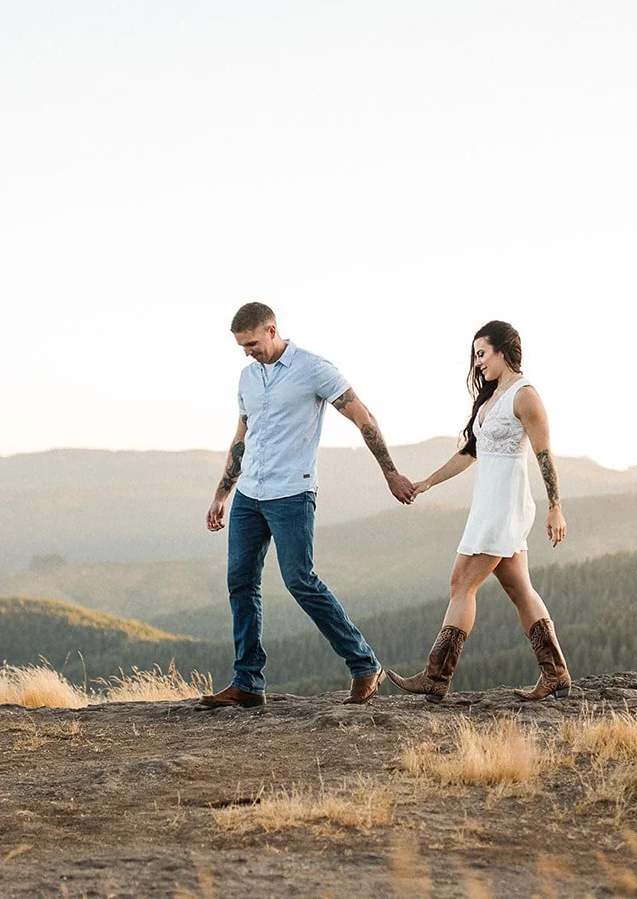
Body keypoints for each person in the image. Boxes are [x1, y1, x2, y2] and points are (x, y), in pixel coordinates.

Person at [200, 302, 417, 708]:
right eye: (241, 347)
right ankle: (247, 683)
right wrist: (222, 493)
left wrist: (390, 472)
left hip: (292, 494)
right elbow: (241, 437)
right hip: (250, 494)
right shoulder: (247, 377)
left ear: (271, 329)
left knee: (300, 579)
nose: (248, 352)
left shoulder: (313, 368)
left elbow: (363, 416)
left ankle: (364, 664)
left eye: (252, 343)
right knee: (240, 582)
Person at [388, 320, 571, 701]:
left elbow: (543, 456)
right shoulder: (490, 400)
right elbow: (470, 453)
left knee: (461, 583)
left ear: (503, 351)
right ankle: (556, 674)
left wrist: (556, 507)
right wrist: (427, 483)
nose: (477, 363)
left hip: (505, 507)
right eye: (475, 356)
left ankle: (436, 677)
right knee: (519, 588)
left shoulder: (525, 395)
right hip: (489, 505)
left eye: (482, 354)